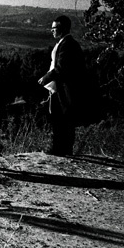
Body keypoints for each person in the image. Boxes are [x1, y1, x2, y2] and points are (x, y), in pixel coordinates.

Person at [37, 15, 87, 156]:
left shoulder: (67, 44)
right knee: (62, 119)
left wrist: (46, 78)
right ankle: (62, 149)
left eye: (54, 28)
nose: (52, 30)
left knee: (62, 119)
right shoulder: (66, 43)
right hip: (62, 88)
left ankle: (60, 150)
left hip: (66, 89)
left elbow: (61, 67)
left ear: (63, 28)